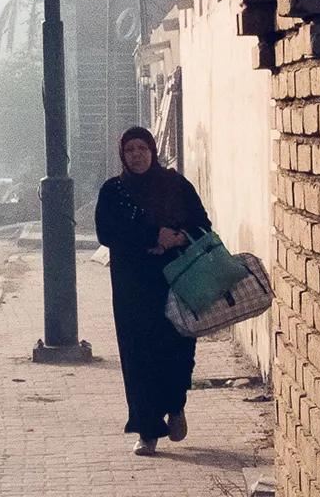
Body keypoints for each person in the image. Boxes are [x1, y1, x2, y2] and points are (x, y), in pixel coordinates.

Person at [95, 125, 211, 456]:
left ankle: (175, 405)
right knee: (139, 355)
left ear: (153, 151)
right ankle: (147, 430)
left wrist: (176, 237)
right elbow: (107, 233)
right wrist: (150, 239)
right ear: (122, 155)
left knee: (177, 347)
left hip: (177, 281)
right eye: (130, 150)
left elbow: (203, 224)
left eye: (142, 149)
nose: (137, 156)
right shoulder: (113, 191)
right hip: (134, 287)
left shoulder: (176, 184)